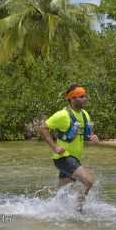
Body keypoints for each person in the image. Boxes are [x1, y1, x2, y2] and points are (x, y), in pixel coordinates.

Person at [38, 84, 99, 212]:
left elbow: (87, 134)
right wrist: (54, 147)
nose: (85, 99)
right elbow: (43, 128)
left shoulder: (85, 115)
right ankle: (78, 211)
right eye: (81, 96)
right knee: (89, 181)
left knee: (62, 195)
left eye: (85, 96)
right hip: (64, 158)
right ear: (72, 98)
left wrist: (92, 137)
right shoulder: (62, 115)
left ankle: (52, 212)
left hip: (74, 159)